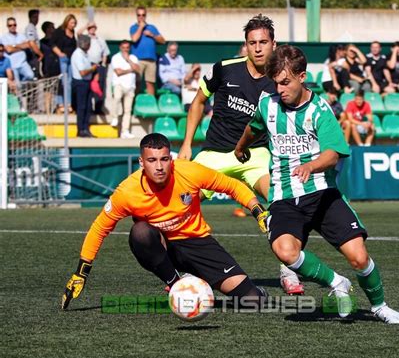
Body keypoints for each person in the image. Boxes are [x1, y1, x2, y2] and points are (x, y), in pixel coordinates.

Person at [235, 45, 399, 324]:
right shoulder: (268, 104)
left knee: (359, 258)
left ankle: (379, 306)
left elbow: (333, 152)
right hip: (284, 196)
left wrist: (311, 165)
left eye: (286, 82)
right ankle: (337, 282)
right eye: (276, 83)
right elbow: (254, 126)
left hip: (322, 193)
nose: (280, 89)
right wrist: (241, 147)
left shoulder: (319, 109)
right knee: (285, 251)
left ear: (302, 77)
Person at [61, 133, 269, 310]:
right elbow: (100, 228)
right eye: (152, 160)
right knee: (140, 232)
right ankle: (176, 284)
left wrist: (257, 209)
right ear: (142, 163)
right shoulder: (126, 192)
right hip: (164, 246)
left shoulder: (189, 171)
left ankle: (202, 279)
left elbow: (231, 186)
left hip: (198, 242)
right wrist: (81, 272)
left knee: (253, 301)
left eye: (164, 159)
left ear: (171, 159)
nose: (159, 166)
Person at [178, 14, 304, 296]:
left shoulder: (281, 81)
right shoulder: (224, 69)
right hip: (213, 153)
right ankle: (181, 270)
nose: (257, 48)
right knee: (180, 203)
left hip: (255, 154)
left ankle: (289, 269)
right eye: (252, 43)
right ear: (245, 45)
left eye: (263, 42)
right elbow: (198, 102)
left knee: (282, 200)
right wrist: (187, 143)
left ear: (274, 44)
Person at [130, 6, 166, 96]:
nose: (141, 17)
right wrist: (141, 27)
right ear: (136, 16)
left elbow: (163, 41)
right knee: (137, 83)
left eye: (143, 15)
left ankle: (151, 104)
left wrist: (152, 35)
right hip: (138, 60)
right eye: (139, 15)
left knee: (150, 83)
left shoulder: (152, 27)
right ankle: (134, 104)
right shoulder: (133, 27)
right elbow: (134, 39)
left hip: (151, 60)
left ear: (146, 15)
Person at [110, 40, 140, 139]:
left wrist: (129, 61)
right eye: (123, 47)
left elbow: (137, 69)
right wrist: (131, 69)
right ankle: (114, 117)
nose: (125, 50)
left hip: (130, 86)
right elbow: (118, 72)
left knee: (128, 110)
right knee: (117, 99)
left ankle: (125, 131)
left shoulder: (133, 58)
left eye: (127, 47)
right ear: (120, 48)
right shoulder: (115, 57)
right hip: (119, 84)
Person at [78, 21, 110, 114]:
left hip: (98, 65)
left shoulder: (100, 39)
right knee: (88, 86)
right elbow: (79, 33)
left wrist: (103, 64)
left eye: (93, 27)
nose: (92, 28)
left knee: (99, 87)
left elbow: (105, 53)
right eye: (90, 27)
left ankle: (98, 108)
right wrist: (86, 25)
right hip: (88, 65)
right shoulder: (85, 38)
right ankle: (88, 107)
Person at [71, 34, 97, 138]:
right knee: (81, 107)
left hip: (86, 82)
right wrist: (93, 69)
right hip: (80, 83)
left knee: (88, 106)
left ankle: (86, 128)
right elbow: (82, 72)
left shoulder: (85, 54)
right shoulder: (78, 54)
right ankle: (81, 129)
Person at [51, 14, 77, 113]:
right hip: (62, 59)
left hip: (71, 59)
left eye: (74, 23)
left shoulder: (73, 32)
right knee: (63, 81)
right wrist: (60, 53)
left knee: (69, 81)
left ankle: (68, 103)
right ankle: (61, 103)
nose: (73, 25)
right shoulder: (59, 32)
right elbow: (52, 44)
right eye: (71, 23)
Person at [1, 17, 35, 84]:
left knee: (31, 76)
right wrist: (21, 46)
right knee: (17, 85)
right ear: (7, 26)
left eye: (14, 25)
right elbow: (9, 50)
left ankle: (22, 86)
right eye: (10, 25)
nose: (13, 27)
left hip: (23, 63)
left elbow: (28, 45)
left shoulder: (22, 36)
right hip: (13, 64)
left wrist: (13, 46)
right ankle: (20, 92)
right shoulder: (3, 37)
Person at [39, 21, 61, 114]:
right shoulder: (42, 43)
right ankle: (48, 111)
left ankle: (58, 109)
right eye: (52, 27)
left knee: (58, 90)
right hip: (47, 68)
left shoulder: (57, 42)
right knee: (48, 91)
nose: (54, 29)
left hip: (57, 67)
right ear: (47, 29)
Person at [24, 9, 43, 79]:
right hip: (33, 56)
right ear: (30, 18)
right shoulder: (30, 28)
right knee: (34, 76)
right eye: (34, 17)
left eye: (37, 17)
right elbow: (31, 42)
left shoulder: (33, 28)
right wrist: (40, 54)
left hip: (35, 55)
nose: (36, 19)